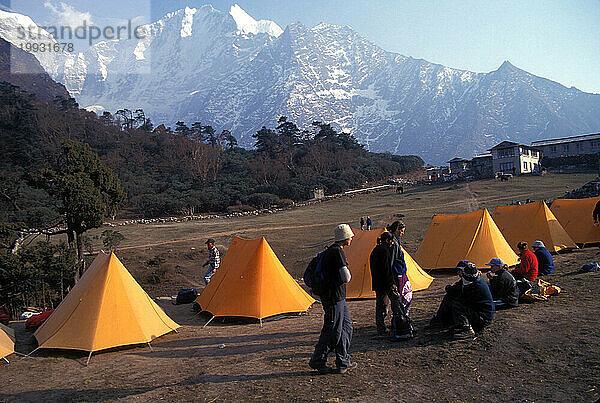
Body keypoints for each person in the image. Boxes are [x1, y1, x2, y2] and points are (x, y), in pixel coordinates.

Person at [309, 224, 356, 374]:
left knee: (345, 328)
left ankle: (342, 361)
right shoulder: (337, 253)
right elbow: (346, 277)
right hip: (334, 298)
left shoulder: (331, 251)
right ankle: (318, 360)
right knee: (332, 330)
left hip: (336, 297)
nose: (352, 238)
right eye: (350, 236)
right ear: (345, 237)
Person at [429, 261, 495, 340]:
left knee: (458, 304)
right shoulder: (470, 280)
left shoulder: (477, 286)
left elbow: (466, 301)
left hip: (483, 317)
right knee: (450, 297)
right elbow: (454, 289)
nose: (458, 273)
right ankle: (442, 320)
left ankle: (467, 329)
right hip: (476, 311)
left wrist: (454, 293)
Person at [369, 232, 412, 339]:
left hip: (378, 282)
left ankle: (381, 327)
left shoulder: (375, 250)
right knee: (396, 300)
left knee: (381, 304)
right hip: (386, 282)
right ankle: (400, 323)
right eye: (391, 241)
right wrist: (392, 283)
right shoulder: (384, 250)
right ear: (388, 240)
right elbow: (387, 268)